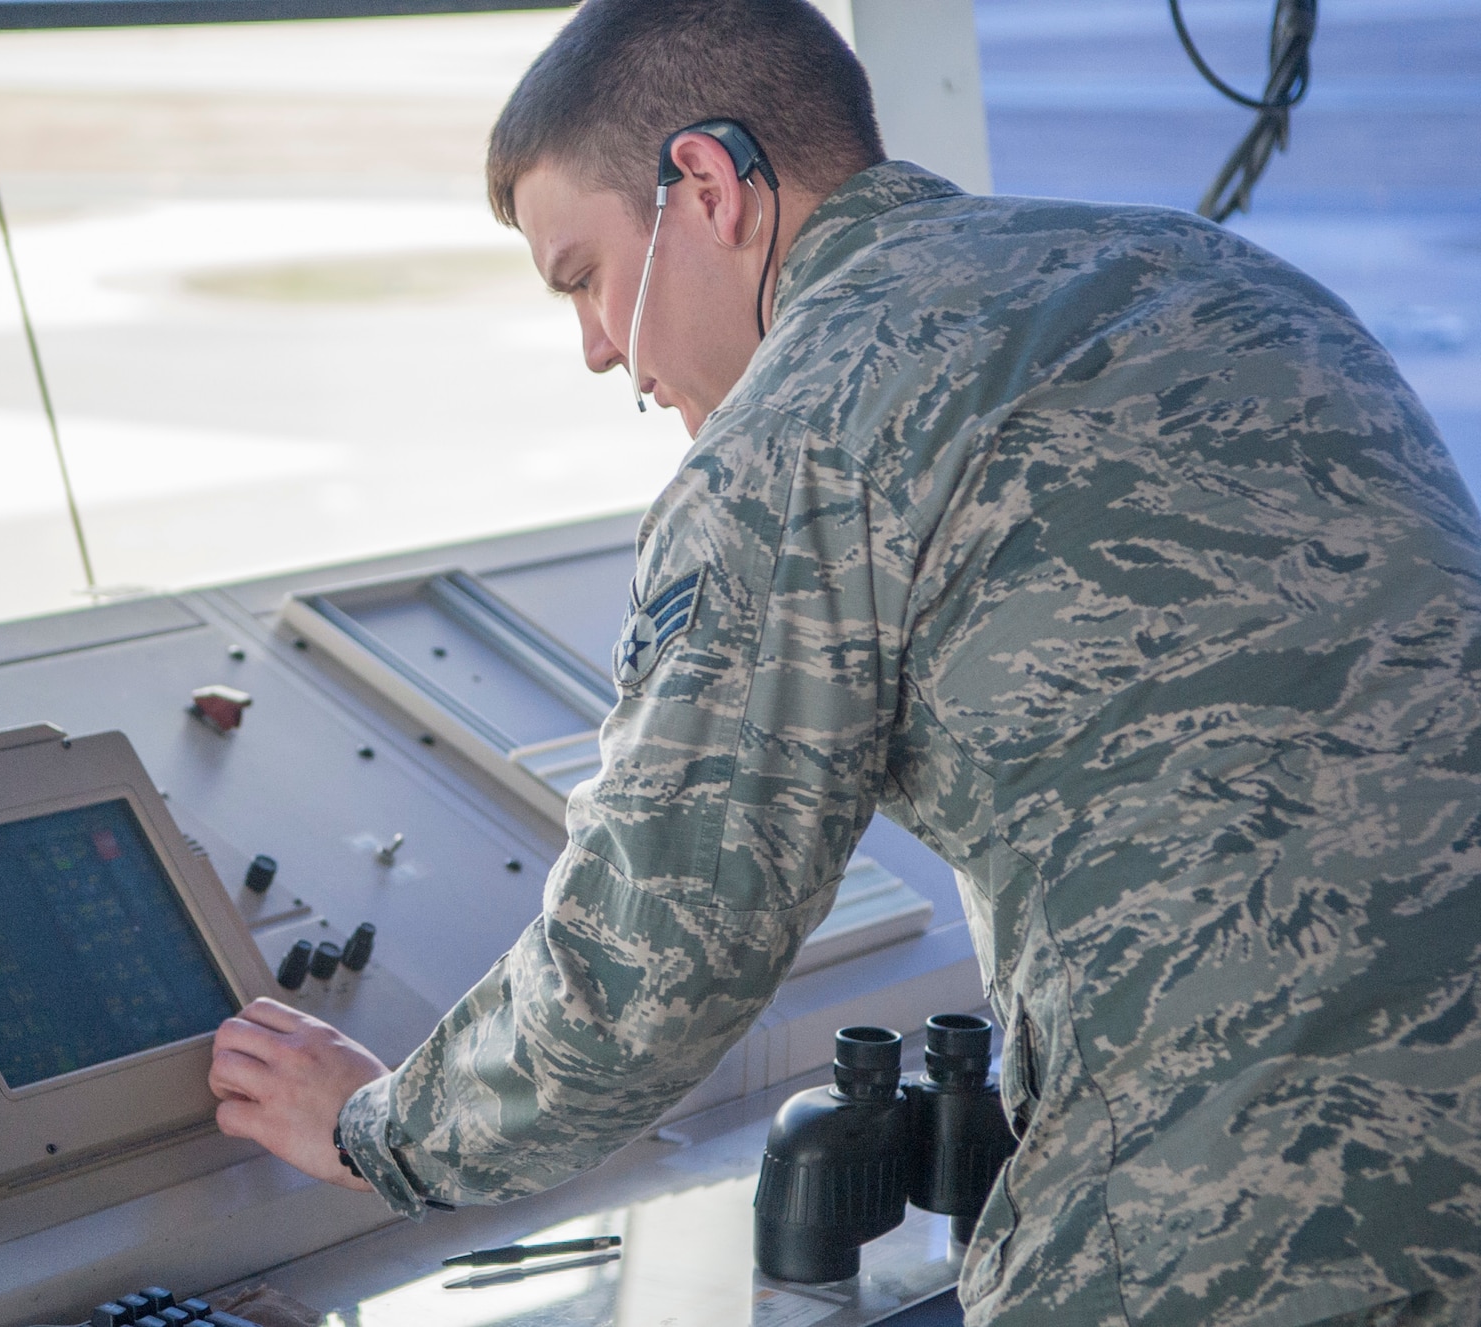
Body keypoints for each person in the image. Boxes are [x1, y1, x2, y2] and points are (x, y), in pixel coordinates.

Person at [206, 2, 1481, 1322]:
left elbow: (644, 971)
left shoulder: (797, 428)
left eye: (583, 272)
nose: (597, 348)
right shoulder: (1229, 284)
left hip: (1258, 1232)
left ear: (707, 188)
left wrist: (377, 1131)